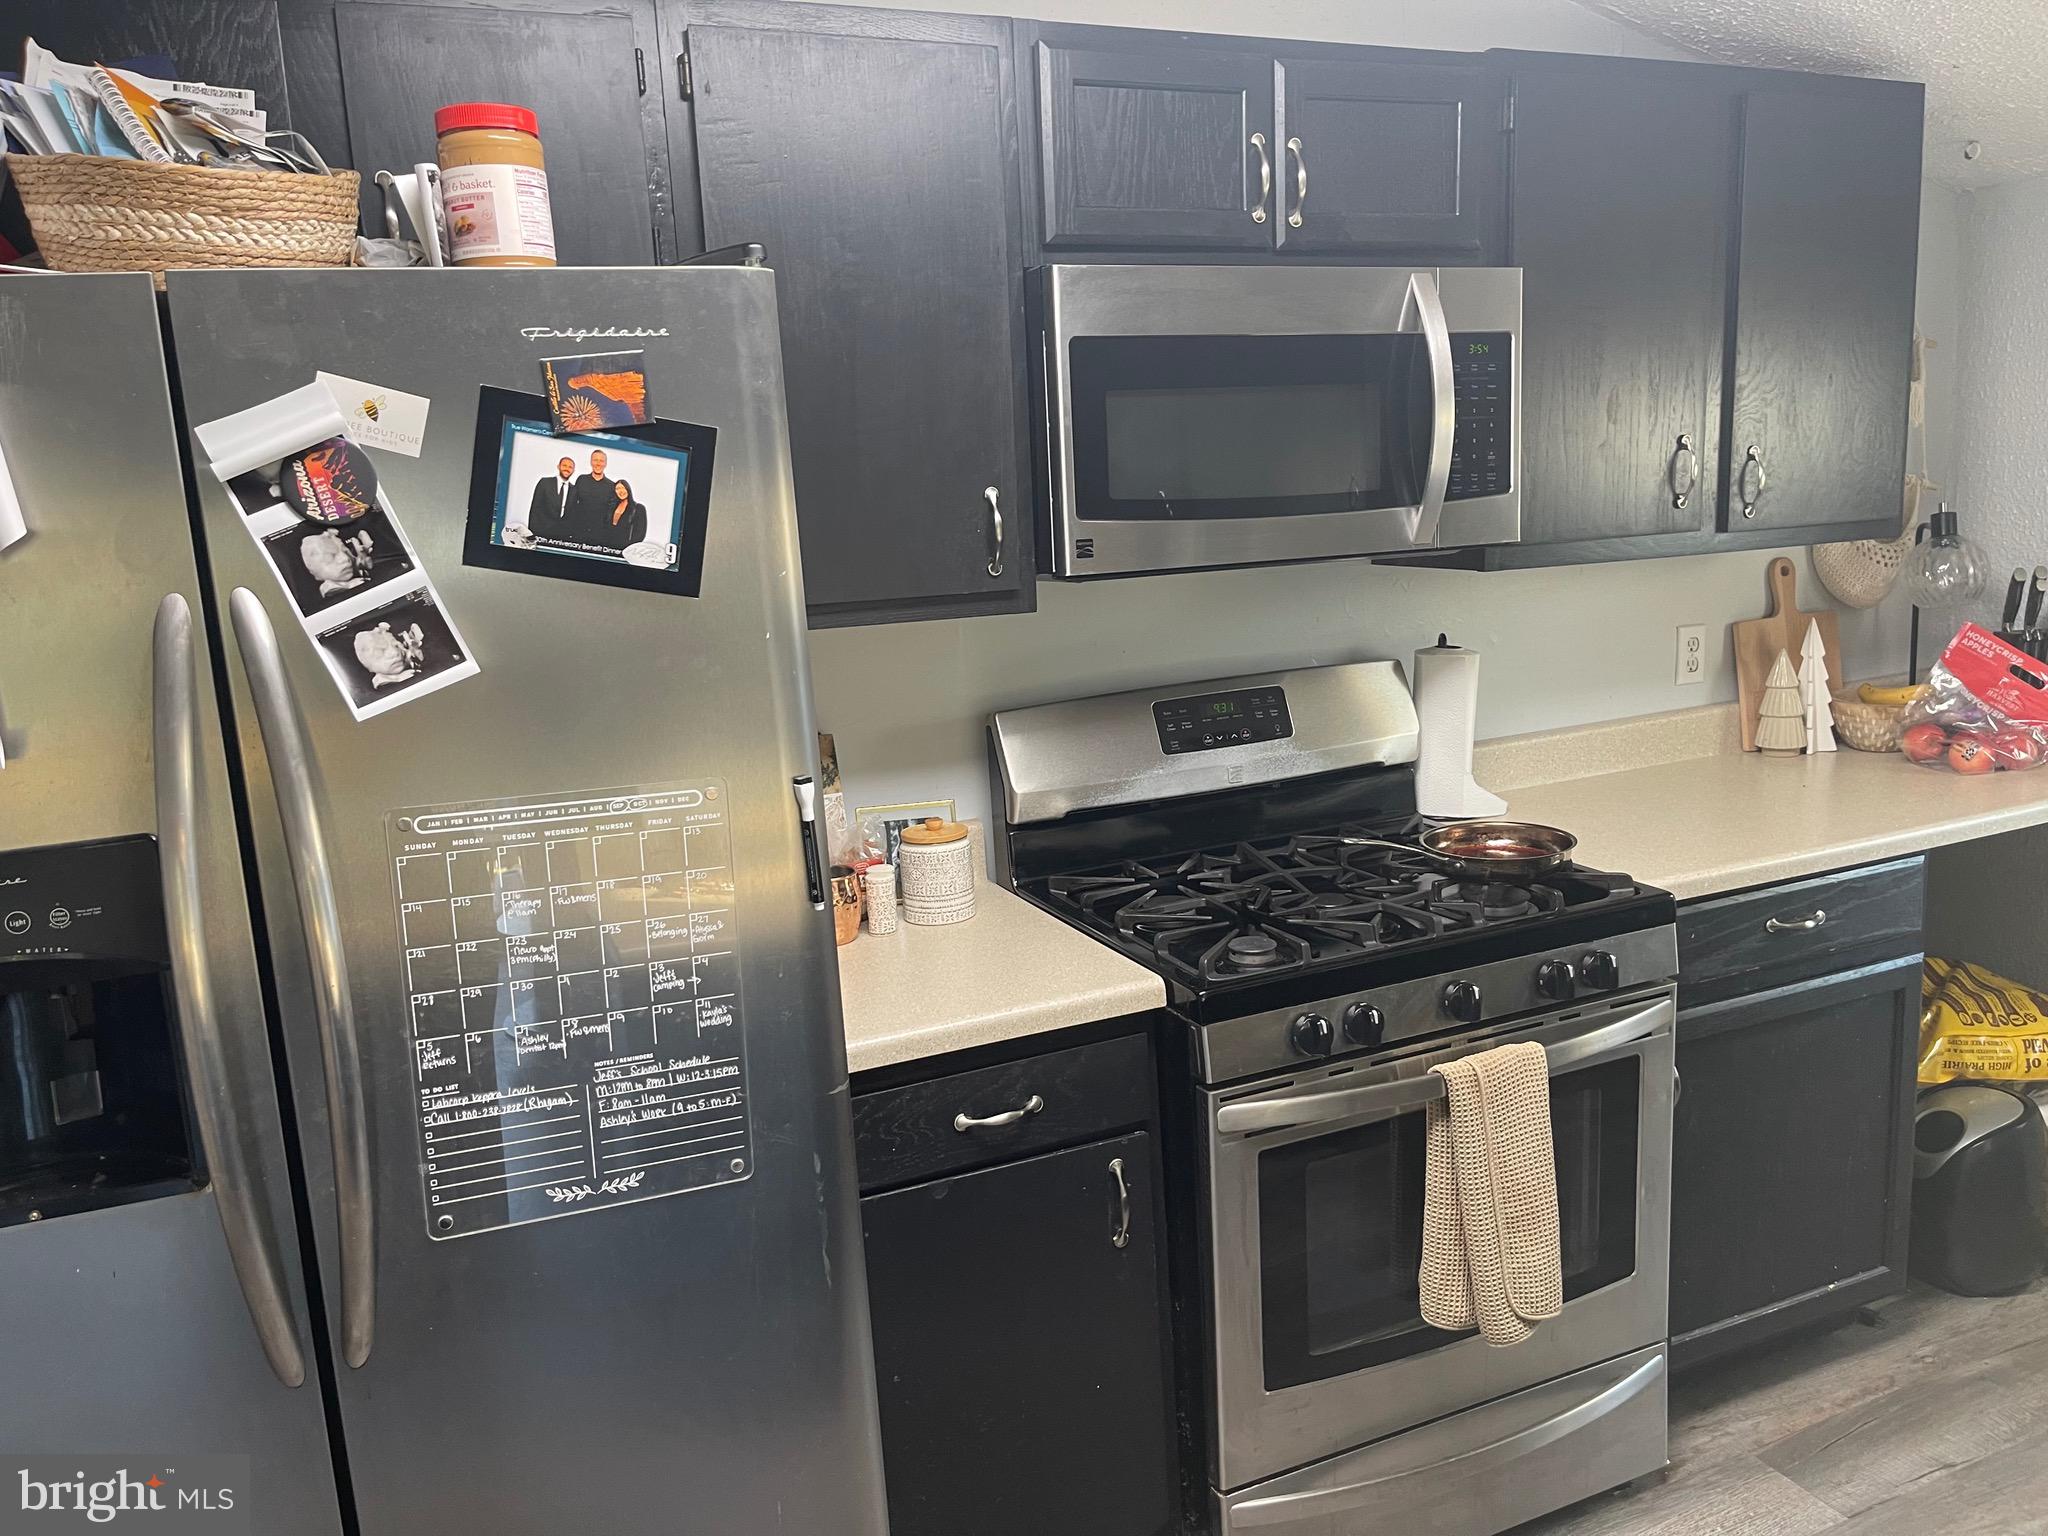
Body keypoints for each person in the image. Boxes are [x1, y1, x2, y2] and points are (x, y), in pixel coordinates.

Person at [300, 527, 376, 597]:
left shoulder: (359, 572)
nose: (345, 558)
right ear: (311, 567)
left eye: (345, 552)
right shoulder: (330, 590)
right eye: (331, 556)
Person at [354, 621, 427, 690]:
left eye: (396, 646)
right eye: (381, 650)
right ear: (363, 659)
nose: (394, 653)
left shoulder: (413, 666)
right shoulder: (381, 689)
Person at [567, 448, 615, 542]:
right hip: (578, 532)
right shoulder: (581, 479)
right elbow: (572, 505)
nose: (598, 463)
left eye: (601, 461)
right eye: (595, 460)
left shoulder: (611, 486)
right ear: (590, 462)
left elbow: (610, 513)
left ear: (605, 464)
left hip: (600, 535)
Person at [526, 456, 577, 541]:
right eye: (564, 465)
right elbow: (535, 508)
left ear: (573, 471)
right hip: (541, 532)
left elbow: (573, 515)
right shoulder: (545, 483)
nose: (567, 469)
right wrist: (532, 535)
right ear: (558, 466)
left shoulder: (575, 490)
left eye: (570, 467)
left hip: (562, 536)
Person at [599, 479, 647, 551]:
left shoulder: (638, 508)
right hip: (608, 548)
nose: (621, 491)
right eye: (617, 489)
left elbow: (640, 534)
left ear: (628, 489)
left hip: (625, 550)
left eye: (623, 488)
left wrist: (629, 550)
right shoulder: (611, 507)